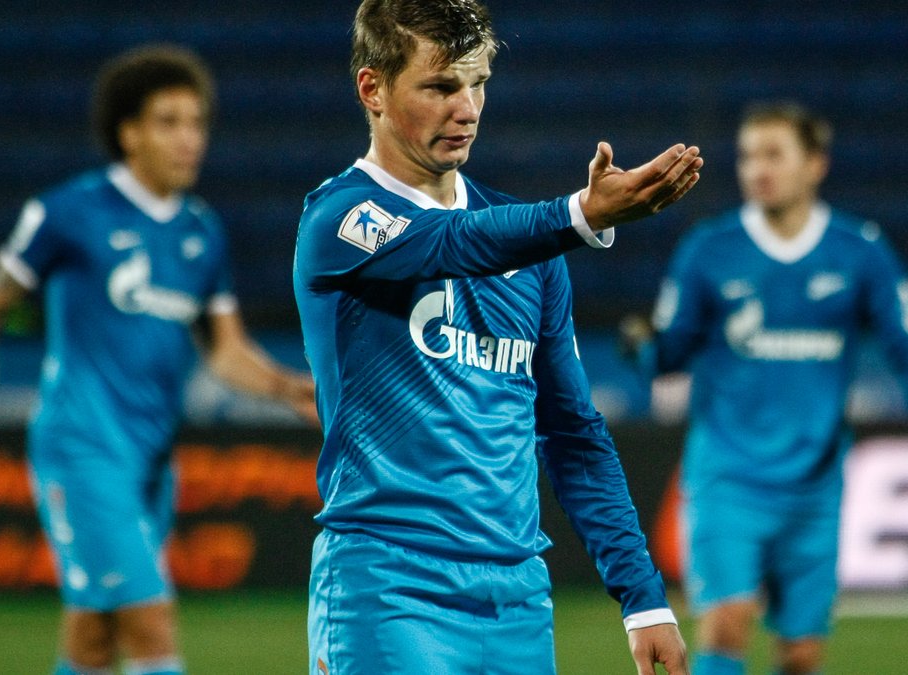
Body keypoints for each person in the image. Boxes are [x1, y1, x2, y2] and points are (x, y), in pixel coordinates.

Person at [293, 1, 704, 673]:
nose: (467, 109)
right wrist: (580, 214)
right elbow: (452, 243)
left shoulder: (532, 249)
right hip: (387, 584)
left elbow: (572, 432)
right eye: (440, 86)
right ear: (373, 89)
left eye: (477, 83)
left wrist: (643, 599)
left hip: (516, 600)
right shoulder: (340, 218)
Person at [0, 44, 316, 675]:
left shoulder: (202, 231)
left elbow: (226, 351)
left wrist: (290, 389)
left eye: (197, 123)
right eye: (168, 122)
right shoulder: (68, 212)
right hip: (82, 447)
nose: (189, 139)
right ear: (129, 133)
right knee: (150, 623)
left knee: (93, 638)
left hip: (151, 461)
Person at [621, 101, 908, 674]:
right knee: (727, 619)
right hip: (728, 476)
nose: (758, 169)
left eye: (774, 154)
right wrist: (645, 349)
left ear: (815, 164)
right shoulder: (710, 249)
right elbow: (670, 355)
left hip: (814, 485)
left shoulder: (859, 250)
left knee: (801, 654)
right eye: (748, 156)